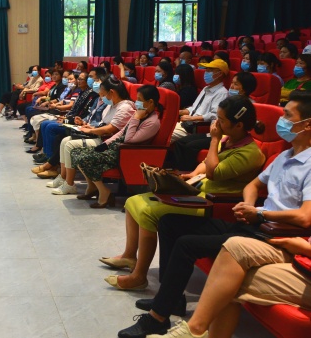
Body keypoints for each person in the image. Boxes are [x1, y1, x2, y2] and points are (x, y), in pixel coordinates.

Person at [116, 90, 311, 338]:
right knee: (169, 223)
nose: (281, 121)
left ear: (307, 124)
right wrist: (248, 206)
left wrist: (261, 215)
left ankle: (157, 319)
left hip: (273, 233)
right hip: (252, 223)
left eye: (288, 116)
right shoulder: (284, 156)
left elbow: (305, 217)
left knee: (187, 244)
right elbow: (253, 185)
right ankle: (170, 299)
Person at [104, 97, 265, 291]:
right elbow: (206, 163)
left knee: (148, 211)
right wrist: (193, 174)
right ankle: (129, 256)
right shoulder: (230, 140)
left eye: (221, 120)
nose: (216, 124)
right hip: (197, 191)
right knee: (134, 201)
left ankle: (139, 276)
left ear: (238, 125)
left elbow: (213, 172)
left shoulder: (249, 153)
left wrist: (214, 139)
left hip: (212, 203)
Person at [153, 235, 311, 338]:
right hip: (302, 254)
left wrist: (304, 248)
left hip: (305, 258)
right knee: (234, 247)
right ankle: (194, 329)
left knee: (230, 276)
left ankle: (193, 330)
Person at [72, 85, 161, 208]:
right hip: (114, 147)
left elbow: (129, 140)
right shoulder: (140, 113)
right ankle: (92, 188)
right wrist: (105, 144)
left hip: (125, 153)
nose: (136, 102)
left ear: (150, 102)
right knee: (76, 152)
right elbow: (122, 132)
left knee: (84, 158)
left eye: (139, 99)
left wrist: (136, 118)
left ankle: (105, 193)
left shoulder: (152, 122)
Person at [50, 77, 135, 195]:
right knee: (65, 140)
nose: (101, 97)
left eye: (103, 94)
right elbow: (104, 124)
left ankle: (69, 184)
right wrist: (89, 127)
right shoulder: (113, 105)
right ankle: (63, 178)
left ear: (112, 92)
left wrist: (91, 131)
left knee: (70, 145)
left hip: (108, 142)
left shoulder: (125, 107)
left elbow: (111, 129)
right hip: (101, 136)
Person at [166, 74, 258, 171]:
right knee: (180, 142)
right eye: (232, 82)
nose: (231, 86)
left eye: (236, 84)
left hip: (224, 135)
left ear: (245, 89)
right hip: (214, 131)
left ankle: (186, 171)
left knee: (190, 146)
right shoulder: (230, 100)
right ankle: (177, 171)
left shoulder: (249, 105)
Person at [171, 59, 229, 142]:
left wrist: (192, 118)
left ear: (219, 74)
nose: (206, 73)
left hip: (195, 127)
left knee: (164, 135)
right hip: (186, 123)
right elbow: (194, 108)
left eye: (210, 71)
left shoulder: (222, 93)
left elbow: (214, 115)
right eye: (206, 70)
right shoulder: (206, 88)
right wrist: (178, 111)